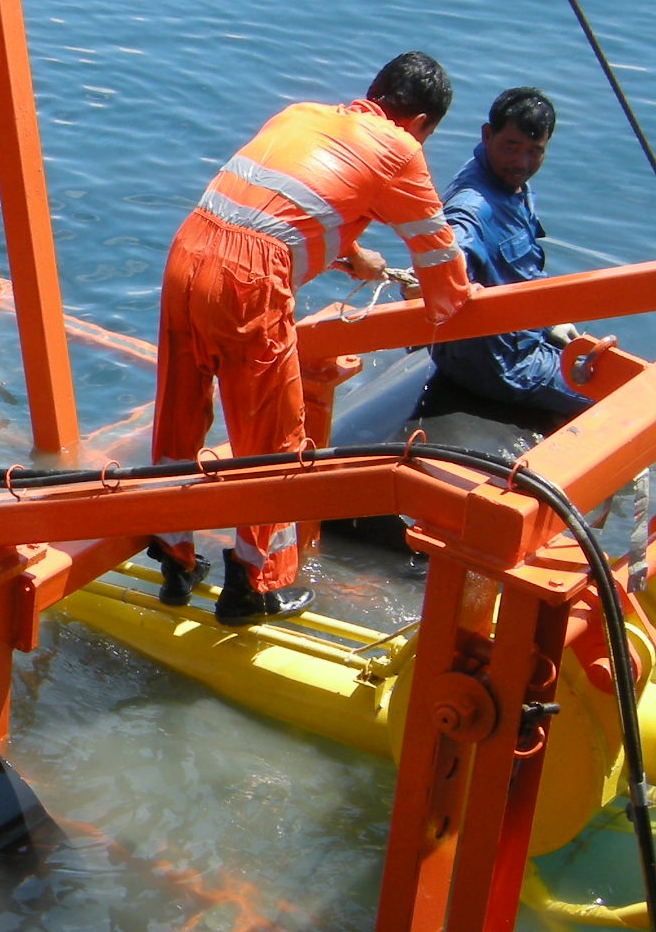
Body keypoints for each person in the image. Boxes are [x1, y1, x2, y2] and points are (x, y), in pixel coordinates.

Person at [149, 52, 474, 623]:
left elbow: (278, 210)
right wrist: (449, 309)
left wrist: (353, 256)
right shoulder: (401, 150)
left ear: (373, 91)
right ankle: (255, 585)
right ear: (422, 124)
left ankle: (174, 558)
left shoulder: (302, 115)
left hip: (187, 251)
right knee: (272, 436)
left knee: (180, 408)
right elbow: (439, 253)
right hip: (249, 282)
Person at [422, 87, 591, 433]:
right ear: (487, 134)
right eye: (511, 147)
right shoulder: (472, 206)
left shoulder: (512, 184)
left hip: (525, 333)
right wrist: (439, 277)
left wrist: (550, 323)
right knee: (626, 393)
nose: (522, 163)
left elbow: (522, 270)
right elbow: (453, 255)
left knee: (618, 365)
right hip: (503, 362)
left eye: (535, 152)